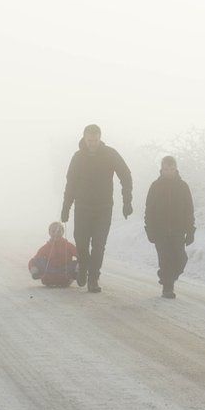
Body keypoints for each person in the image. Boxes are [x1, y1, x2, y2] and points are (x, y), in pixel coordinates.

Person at [61, 124, 133, 293]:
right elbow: (70, 184)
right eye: (89, 140)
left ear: (100, 138)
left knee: (99, 245)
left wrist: (127, 201)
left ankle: (93, 279)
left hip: (104, 207)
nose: (92, 143)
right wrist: (66, 207)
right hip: (82, 207)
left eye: (95, 140)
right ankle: (84, 267)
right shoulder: (78, 157)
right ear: (84, 138)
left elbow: (125, 175)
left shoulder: (110, 154)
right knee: (81, 243)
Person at [144, 155, 195, 299]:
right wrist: (149, 229)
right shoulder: (155, 186)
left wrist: (190, 231)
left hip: (178, 230)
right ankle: (168, 288)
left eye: (172, 169)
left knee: (180, 259)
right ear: (162, 169)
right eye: (166, 169)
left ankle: (167, 277)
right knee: (165, 259)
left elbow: (189, 210)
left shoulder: (183, 186)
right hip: (160, 231)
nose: (169, 172)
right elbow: (149, 209)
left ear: (176, 169)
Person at [28, 222, 79, 287]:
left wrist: (78, 268)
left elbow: (79, 256)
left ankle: (75, 274)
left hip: (65, 272)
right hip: (50, 271)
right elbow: (35, 260)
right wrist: (35, 271)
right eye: (53, 231)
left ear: (63, 232)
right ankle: (38, 275)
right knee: (33, 261)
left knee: (81, 260)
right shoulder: (45, 247)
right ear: (49, 233)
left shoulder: (68, 246)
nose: (56, 234)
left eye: (58, 231)